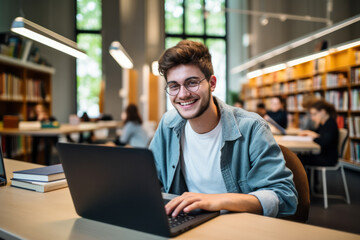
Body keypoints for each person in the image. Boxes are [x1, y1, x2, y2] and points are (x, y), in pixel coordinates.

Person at [149, 40, 297, 218]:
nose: (182, 94)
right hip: (186, 225)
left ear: (212, 83)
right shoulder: (168, 125)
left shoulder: (252, 128)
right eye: (174, 86)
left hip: (238, 229)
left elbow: (284, 196)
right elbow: (147, 181)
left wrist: (218, 201)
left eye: (192, 82)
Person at [298, 99, 339, 166]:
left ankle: (304, 176)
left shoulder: (330, 124)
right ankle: (307, 176)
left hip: (328, 158)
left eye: (314, 114)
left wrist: (314, 137)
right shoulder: (323, 123)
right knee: (301, 156)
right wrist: (311, 134)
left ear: (323, 112)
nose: (312, 117)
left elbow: (323, 142)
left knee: (300, 158)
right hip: (322, 154)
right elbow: (317, 133)